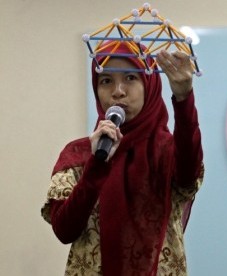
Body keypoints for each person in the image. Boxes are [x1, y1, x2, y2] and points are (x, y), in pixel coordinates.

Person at [40, 41, 204, 275]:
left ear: (150, 85)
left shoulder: (167, 149)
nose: (118, 90)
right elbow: (64, 230)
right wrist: (97, 165)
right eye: (106, 81)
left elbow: (188, 175)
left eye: (130, 78)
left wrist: (184, 98)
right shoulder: (78, 154)